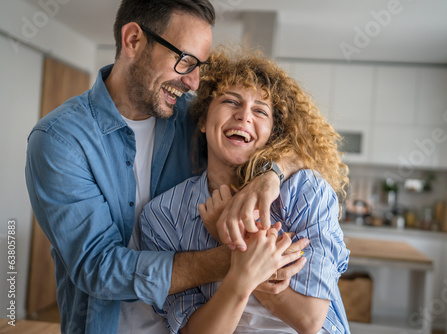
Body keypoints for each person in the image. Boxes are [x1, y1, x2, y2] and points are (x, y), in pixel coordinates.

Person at [24, 1, 307, 333]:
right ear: (132, 41)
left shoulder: (192, 119)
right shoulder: (60, 140)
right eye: (185, 61)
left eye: (199, 65)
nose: (193, 81)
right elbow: (98, 267)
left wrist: (270, 175)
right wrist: (240, 263)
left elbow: (300, 150)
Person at [140, 48, 351, 334]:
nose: (244, 116)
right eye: (230, 101)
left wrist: (231, 239)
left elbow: (310, 320)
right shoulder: (164, 215)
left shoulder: (305, 191)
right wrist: (243, 269)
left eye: (260, 110)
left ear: (272, 132)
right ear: (203, 120)